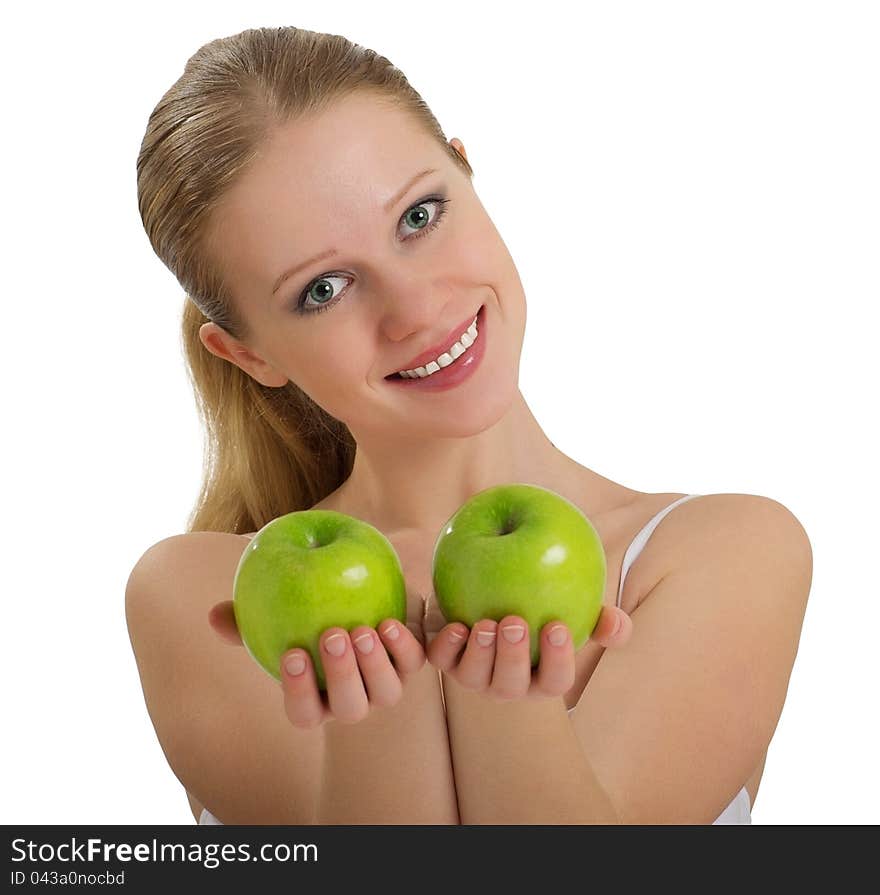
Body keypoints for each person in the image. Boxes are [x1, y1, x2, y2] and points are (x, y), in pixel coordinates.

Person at [127, 26, 813, 826]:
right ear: (246, 352)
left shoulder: (724, 549)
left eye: (419, 215)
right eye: (323, 288)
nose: (416, 309)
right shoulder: (199, 600)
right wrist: (379, 717)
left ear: (466, 168)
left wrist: (503, 706)